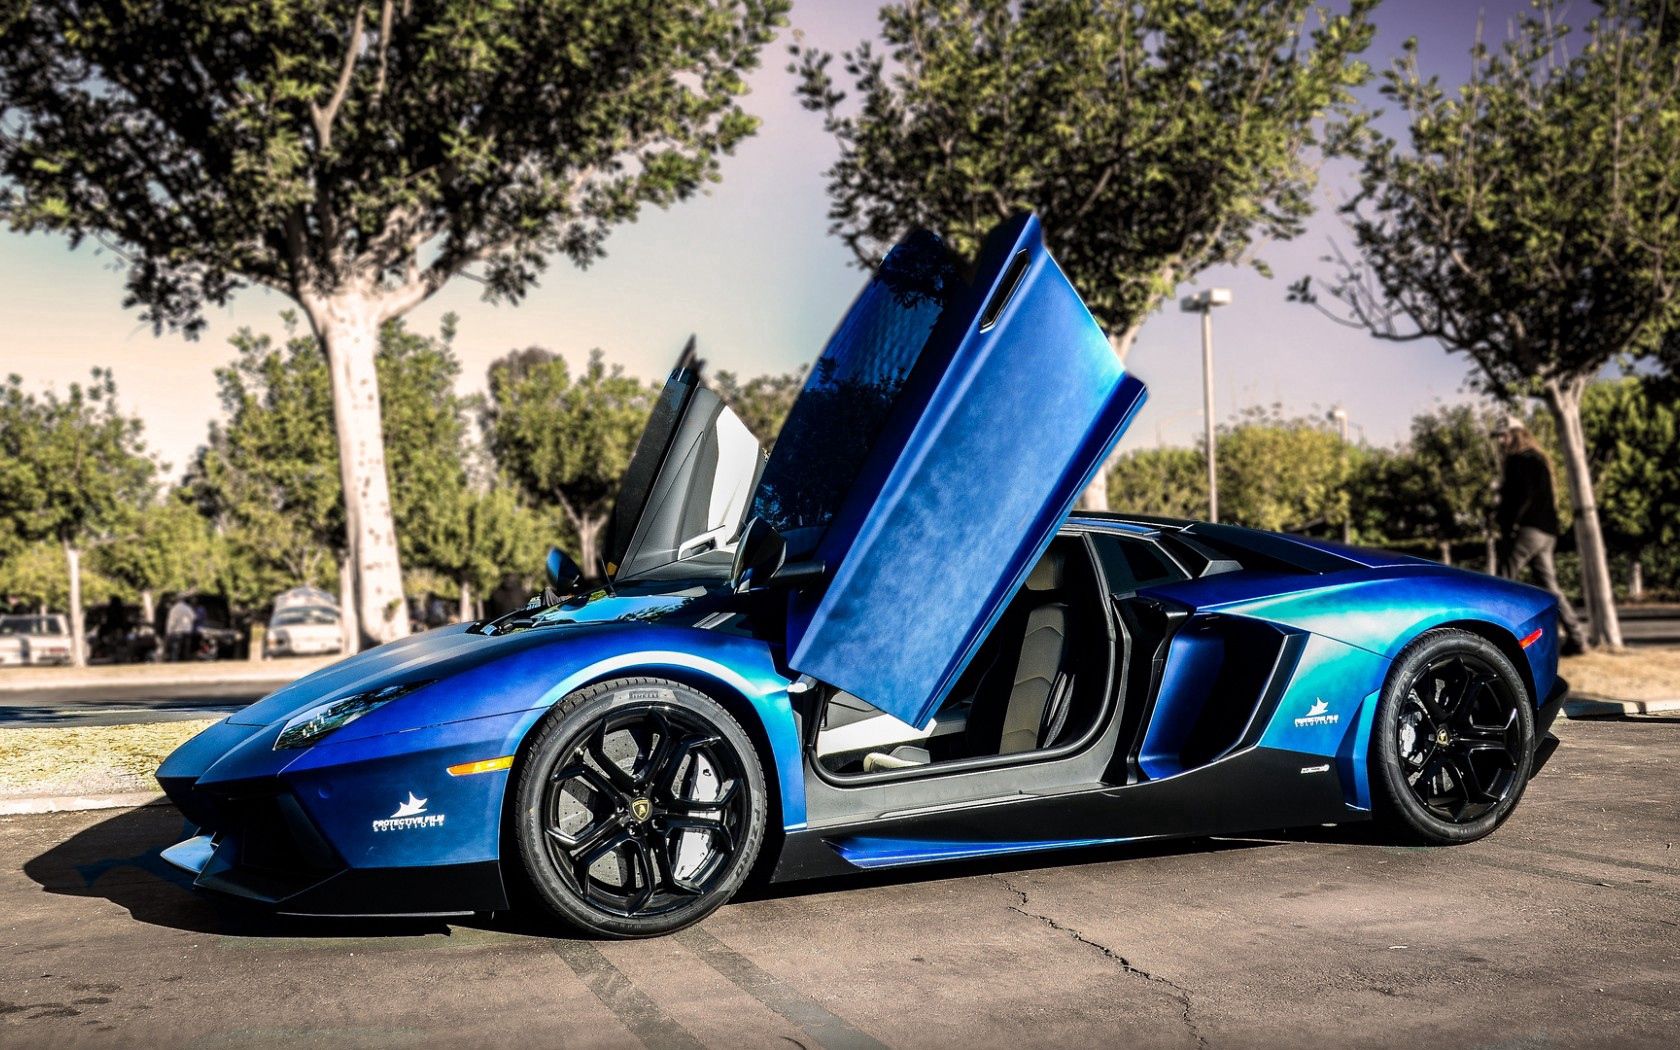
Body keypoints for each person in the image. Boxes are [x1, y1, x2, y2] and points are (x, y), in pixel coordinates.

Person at [1495, 415, 1588, 654]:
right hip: (1547, 532)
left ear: (1514, 435)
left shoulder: (1518, 460)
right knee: (1550, 587)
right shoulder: (1539, 460)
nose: (1500, 441)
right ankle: (1578, 638)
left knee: (1500, 582)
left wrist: (1511, 522)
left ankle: (1495, 638)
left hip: (1527, 530)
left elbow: (1522, 497)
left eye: (1503, 436)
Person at [165, 595, 194, 662]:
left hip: (177, 631)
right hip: (187, 630)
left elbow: (171, 621)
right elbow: (193, 617)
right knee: (186, 649)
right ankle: (186, 662)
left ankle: (175, 662)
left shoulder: (174, 609)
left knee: (175, 649)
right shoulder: (188, 608)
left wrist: (169, 631)